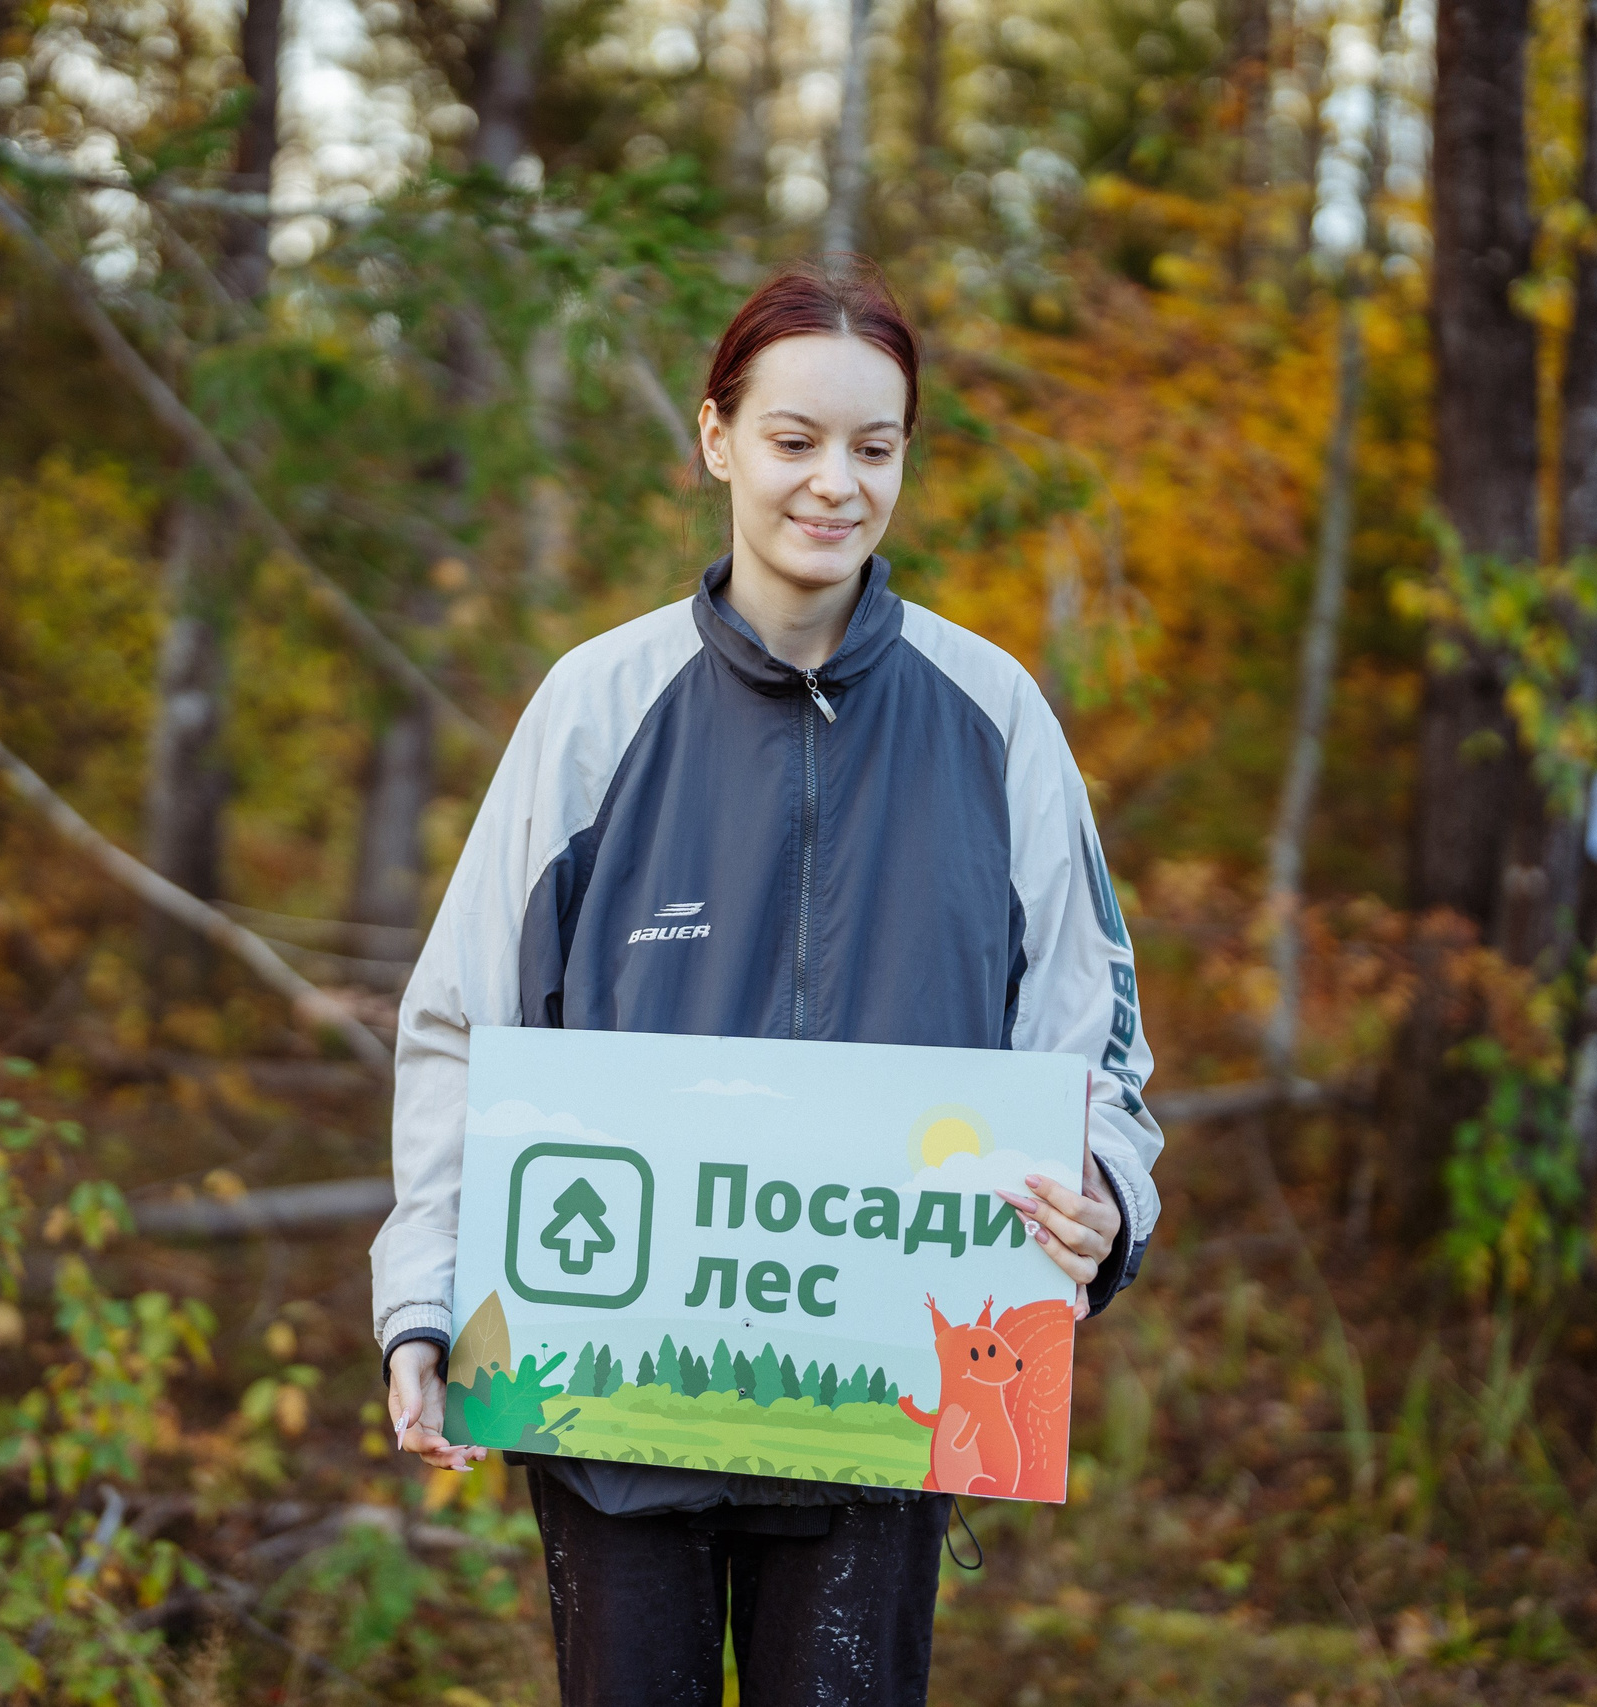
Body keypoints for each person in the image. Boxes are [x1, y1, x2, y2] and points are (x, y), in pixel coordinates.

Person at [368, 256, 1166, 1706]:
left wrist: (1101, 1188)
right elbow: (464, 1027)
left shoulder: (993, 716)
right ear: (718, 438)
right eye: (796, 439)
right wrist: (424, 1302)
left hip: (879, 1415)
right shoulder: (596, 709)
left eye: (877, 447)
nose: (836, 484)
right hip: (610, 1412)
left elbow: (1090, 1033)